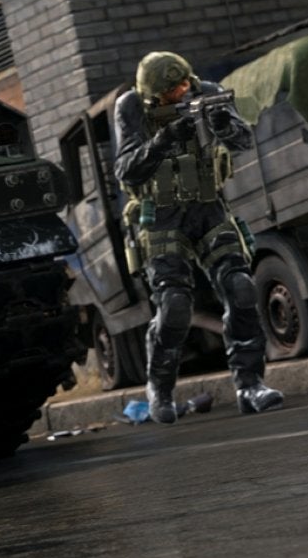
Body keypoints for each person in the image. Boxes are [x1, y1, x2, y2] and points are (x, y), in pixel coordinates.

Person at [113, 51, 283, 424]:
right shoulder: (131, 107)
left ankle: (250, 384)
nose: (182, 92)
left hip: (208, 207)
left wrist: (224, 125)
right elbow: (126, 170)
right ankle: (160, 387)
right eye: (172, 90)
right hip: (161, 215)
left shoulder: (207, 92)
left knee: (240, 287)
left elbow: (243, 141)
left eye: (184, 84)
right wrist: (163, 140)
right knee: (174, 304)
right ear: (153, 95)